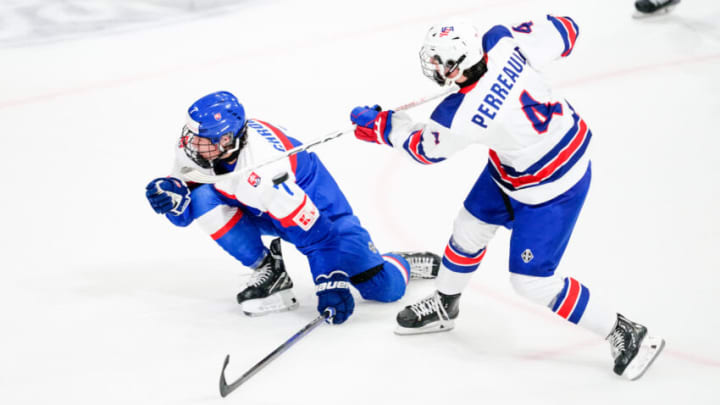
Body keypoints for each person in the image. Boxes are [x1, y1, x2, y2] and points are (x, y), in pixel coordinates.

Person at [349, 17, 664, 379]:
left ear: (457, 65)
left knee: (532, 281)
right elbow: (567, 29)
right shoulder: (500, 41)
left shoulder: (459, 115)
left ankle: (626, 332)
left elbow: (425, 150)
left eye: (439, 61)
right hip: (517, 165)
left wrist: (382, 126)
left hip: (554, 186)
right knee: (468, 229)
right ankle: (445, 304)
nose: (434, 67)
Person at [146, 91, 440, 324]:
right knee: (202, 197)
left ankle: (400, 262)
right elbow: (187, 205)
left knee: (383, 288)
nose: (192, 146)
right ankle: (271, 271)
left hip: (319, 215)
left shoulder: (266, 170)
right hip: (259, 205)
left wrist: (330, 284)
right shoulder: (198, 146)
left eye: (202, 141)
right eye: (191, 137)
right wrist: (172, 195)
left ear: (227, 140)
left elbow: (320, 237)